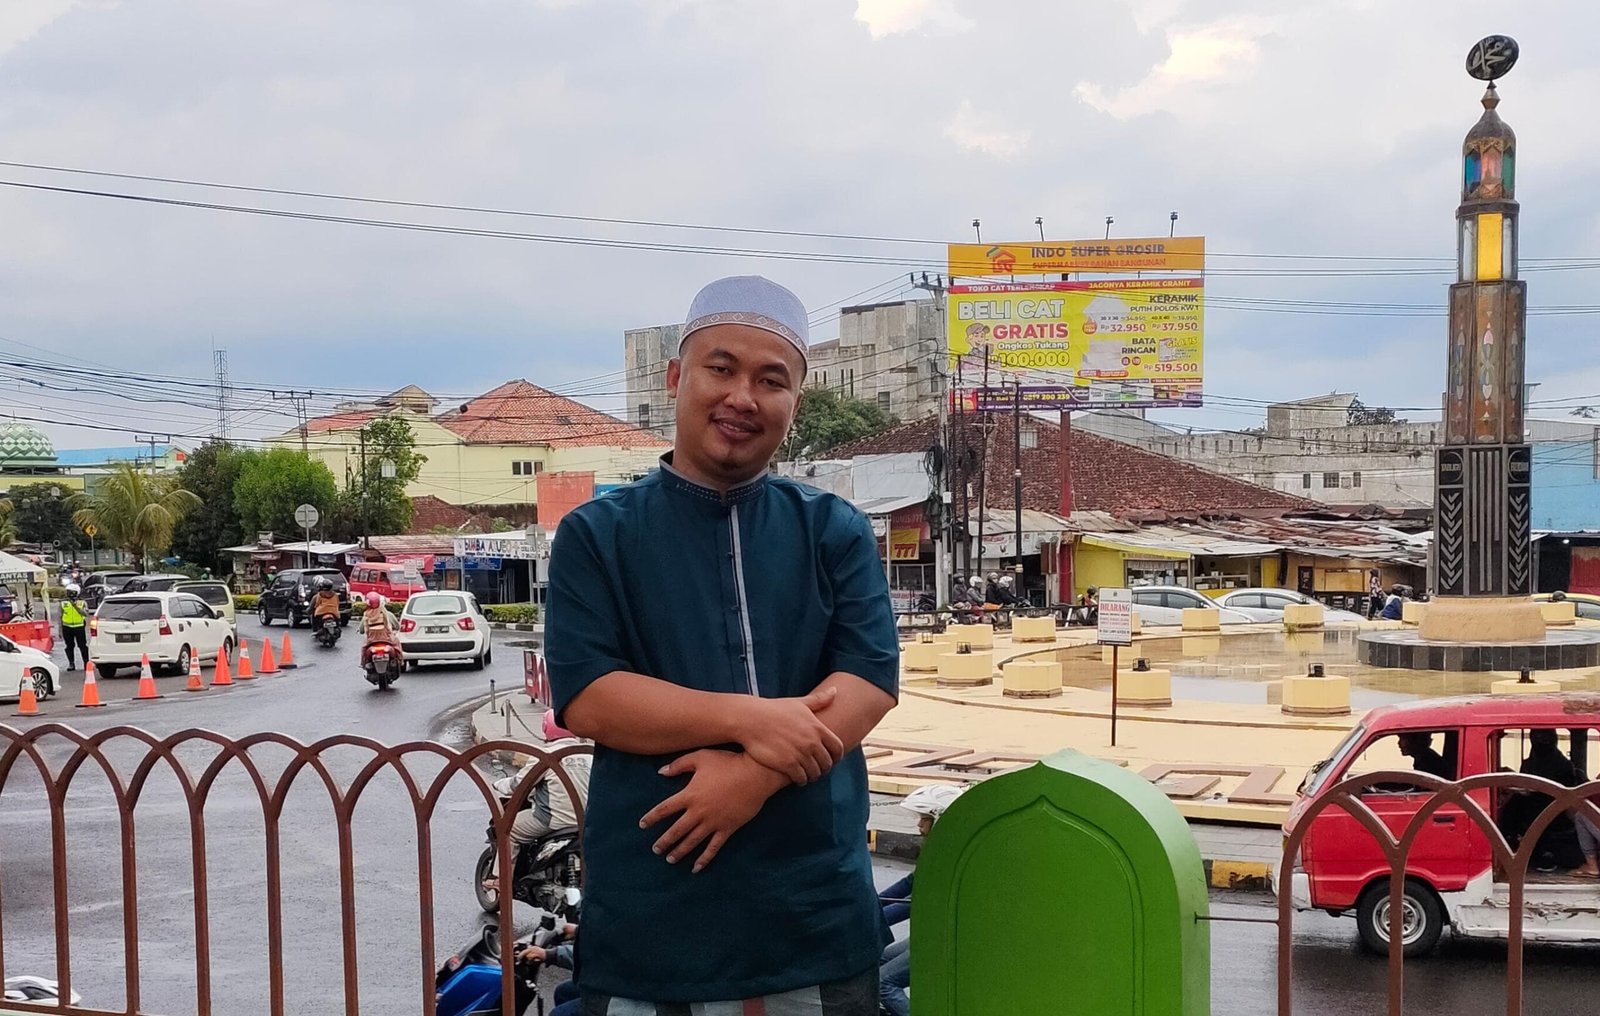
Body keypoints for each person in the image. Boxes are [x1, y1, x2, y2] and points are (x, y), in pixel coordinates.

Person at [546, 275, 899, 1014]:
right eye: (722, 368)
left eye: (772, 381)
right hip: (653, 916)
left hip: (813, 913)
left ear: (795, 402)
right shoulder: (597, 535)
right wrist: (749, 718)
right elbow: (590, 695)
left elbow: (867, 680)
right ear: (676, 376)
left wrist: (752, 777)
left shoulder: (832, 530)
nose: (744, 397)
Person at [877, 784, 964, 1016]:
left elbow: (912, 904)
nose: (920, 826)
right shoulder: (938, 851)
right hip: (938, 933)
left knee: (884, 984)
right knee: (880, 960)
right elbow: (907, 885)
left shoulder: (950, 859)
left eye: (925, 819)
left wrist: (871, 918)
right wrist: (869, 903)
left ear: (941, 821)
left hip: (953, 939)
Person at [358, 591, 401, 667]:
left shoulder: (366, 614)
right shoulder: (385, 613)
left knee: (363, 648)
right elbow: (394, 626)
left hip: (371, 640)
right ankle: (400, 660)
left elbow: (363, 630)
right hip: (386, 638)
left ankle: (363, 663)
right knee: (397, 643)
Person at [58, 586, 88, 672]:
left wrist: (75, 606)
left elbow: (85, 614)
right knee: (69, 646)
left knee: (82, 646)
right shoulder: (63, 603)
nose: (69, 594)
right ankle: (71, 663)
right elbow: (60, 617)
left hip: (79, 627)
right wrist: (60, 630)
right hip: (67, 627)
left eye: (71, 592)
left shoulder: (82, 602)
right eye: (68, 592)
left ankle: (86, 662)